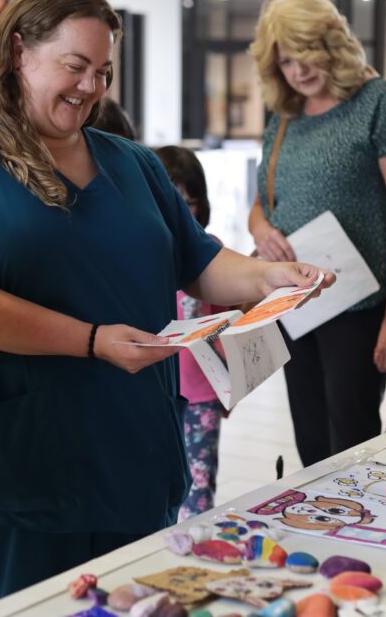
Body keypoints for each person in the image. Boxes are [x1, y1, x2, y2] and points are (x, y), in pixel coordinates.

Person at [0, 0, 334, 601]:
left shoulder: (128, 162)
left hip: (133, 445)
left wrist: (269, 276)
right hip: (24, 457)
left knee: (135, 600)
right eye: (75, 66)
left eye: (103, 73)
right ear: (19, 50)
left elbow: (199, 259)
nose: (90, 88)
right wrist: (91, 341)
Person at [247, 0, 386, 466]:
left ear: (333, 46)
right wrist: (262, 228)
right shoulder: (284, 118)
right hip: (294, 303)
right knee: (309, 437)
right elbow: (262, 204)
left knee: (352, 440)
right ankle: (322, 528)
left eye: (308, 54)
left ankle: (362, 532)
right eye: (286, 60)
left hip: (358, 305)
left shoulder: (381, 103)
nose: (299, 70)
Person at [156, 144, 228, 521]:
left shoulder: (211, 252)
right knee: (155, 484)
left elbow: (224, 325)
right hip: (154, 389)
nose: (182, 211)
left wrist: (228, 388)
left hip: (201, 393)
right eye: (172, 199)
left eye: (191, 202)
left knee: (199, 489)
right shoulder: (139, 255)